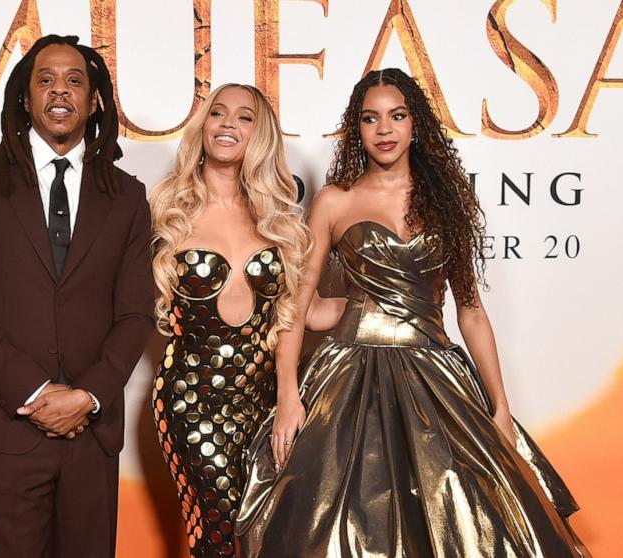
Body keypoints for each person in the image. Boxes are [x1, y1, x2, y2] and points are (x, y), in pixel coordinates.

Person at [236, 69, 591, 557]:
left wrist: (501, 407)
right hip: (349, 377)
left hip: (435, 377)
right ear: (357, 129)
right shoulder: (335, 202)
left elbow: (471, 312)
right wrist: (289, 395)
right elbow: (296, 307)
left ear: (415, 125)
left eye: (397, 116)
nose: (384, 129)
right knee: (331, 520)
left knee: (467, 516)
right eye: (370, 118)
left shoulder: (446, 203)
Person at [0, 34, 154, 557]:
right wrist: (34, 394)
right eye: (47, 79)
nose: (61, 91)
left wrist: (87, 396)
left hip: (91, 428)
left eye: (76, 80)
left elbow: (134, 313)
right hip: (6, 427)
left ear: (94, 99)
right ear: (26, 97)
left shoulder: (126, 195)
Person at [149, 83, 322, 557]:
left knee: (264, 536)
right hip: (192, 403)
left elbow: (306, 312)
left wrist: (394, 306)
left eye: (244, 117)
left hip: (265, 403)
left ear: (259, 134)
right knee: (221, 535)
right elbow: (104, 289)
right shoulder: (167, 210)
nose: (228, 124)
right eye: (218, 113)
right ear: (203, 126)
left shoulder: (279, 219)